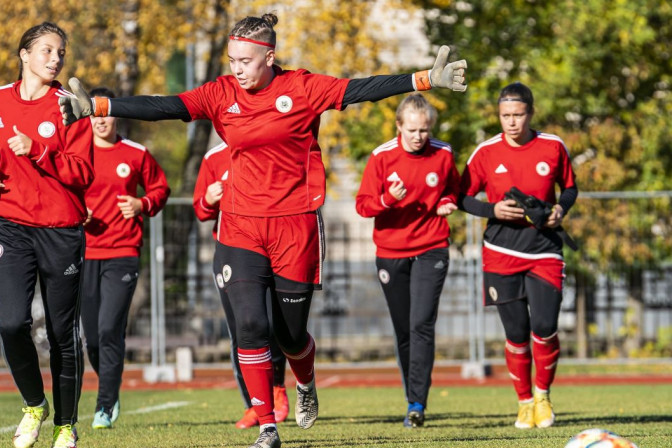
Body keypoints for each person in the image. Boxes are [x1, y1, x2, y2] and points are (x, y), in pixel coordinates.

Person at [59, 13, 467, 448]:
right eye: (232, 59)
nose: (237, 68)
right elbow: (168, 105)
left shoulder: (303, 88)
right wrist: (102, 106)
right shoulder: (220, 93)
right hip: (239, 226)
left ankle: (305, 381)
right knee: (251, 325)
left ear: (269, 57)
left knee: (290, 335)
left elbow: (361, 88)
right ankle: (268, 426)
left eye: (246, 61)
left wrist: (424, 79)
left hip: (295, 227)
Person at [0, 22, 92, 448]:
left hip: (61, 230)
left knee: (62, 334)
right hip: (11, 225)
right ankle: (33, 406)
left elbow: (83, 172)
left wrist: (40, 151)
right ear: (24, 54)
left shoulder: (69, 105)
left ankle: (65, 424)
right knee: (10, 324)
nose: (55, 58)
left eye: (61, 51)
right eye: (46, 50)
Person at [458, 82, 577, 429]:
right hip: (500, 253)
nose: (512, 122)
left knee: (544, 326)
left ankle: (543, 396)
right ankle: (524, 402)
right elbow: (463, 197)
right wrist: (493, 210)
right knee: (516, 332)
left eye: (518, 115)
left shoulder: (553, 146)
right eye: (505, 115)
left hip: (544, 251)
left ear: (531, 113)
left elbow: (570, 188)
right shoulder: (485, 152)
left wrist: (560, 209)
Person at [355, 93, 459, 428]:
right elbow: (363, 205)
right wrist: (387, 199)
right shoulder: (381, 157)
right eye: (412, 130)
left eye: (424, 131)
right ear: (398, 126)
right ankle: (411, 395)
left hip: (431, 247)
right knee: (404, 330)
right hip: (391, 253)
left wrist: (448, 200)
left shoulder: (443, 154)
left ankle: (417, 403)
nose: (418, 137)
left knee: (421, 323)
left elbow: (456, 188)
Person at [80, 87, 170, 429]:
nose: (101, 120)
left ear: (116, 114)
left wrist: (141, 205)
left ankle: (104, 405)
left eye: (106, 113)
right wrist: (77, 212)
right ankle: (111, 384)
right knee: (91, 337)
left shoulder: (135, 153)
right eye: (95, 114)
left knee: (109, 329)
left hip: (123, 252)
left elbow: (160, 189)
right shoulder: (76, 154)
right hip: (84, 254)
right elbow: (60, 192)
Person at [192, 142, 289, 429]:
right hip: (230, 254)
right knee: (241, 331)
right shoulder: (212, 157)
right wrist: (209, 199)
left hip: (272, 251)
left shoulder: (268, 143)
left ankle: (278, 389)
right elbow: (200, 210)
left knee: (274, 326)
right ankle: (253, 406)